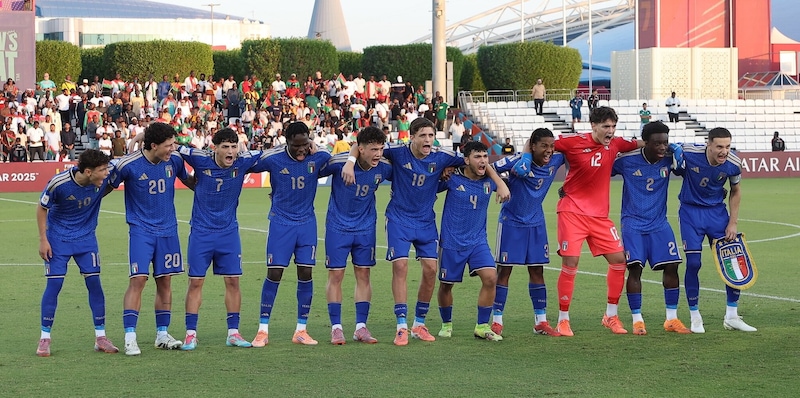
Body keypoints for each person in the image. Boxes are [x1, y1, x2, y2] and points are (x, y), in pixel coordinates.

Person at [341, 117, 510, 346]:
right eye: (423, 135)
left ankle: (419, 324)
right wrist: (350, 162)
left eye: (431, 135)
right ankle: (401, 326)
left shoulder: (442, 157)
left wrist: (499, 182)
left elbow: (476, 159)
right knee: (400, 266)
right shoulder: (397, 152)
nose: (428, 140)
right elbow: (361, 142)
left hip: (426, 222)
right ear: (412, 137)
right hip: (399, 219)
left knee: (431, 269)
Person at [554, 106, 642, 336]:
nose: (610, 131)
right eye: (605, 126)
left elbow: (644, 144)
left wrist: (671, 146)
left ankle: (610, 316)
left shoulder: (616, 144)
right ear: (593, 125)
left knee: (618, 261)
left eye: (613, 126)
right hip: (572, 212)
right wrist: (525, 155)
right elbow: (542, 143)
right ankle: (563, 319)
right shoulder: (572, 142)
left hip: (600, 217)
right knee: (570, 263)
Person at [109, 122, 195, 356]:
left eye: (173, 144)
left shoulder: (175, 161)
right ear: (154, 145)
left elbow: (191, 182)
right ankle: (130, 337)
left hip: (168, 230)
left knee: (165, 282)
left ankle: (162, 334)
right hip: (141, 231)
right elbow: (104, 186)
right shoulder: (130, 165)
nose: (172, 149)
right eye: (168, 146)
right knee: (138, 281)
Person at [176, 128, 265, 350]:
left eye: (234, 147)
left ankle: (233, 333)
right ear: (214, 148)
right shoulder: (199, 158)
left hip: (228, 233)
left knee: (233, 281)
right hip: (201, 232)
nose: (230, 151)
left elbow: (275, 153)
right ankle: (190, 333)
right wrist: (141, 138)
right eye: (225, 147)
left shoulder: (243, 161)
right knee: (195, 282)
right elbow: (171, 146)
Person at [248, 122, 332, 347]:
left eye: (305, 144)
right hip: (281, 223)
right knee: (274, 273)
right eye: (297, 146)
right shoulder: (274, 158)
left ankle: (301, 330)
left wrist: (314, 145)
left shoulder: (317, 157)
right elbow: (247, 163)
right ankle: (263, 330)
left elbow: (329, 153)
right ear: (287, 142)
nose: (302, 150)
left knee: (306, 272)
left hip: (307, 224)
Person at [35, 149, 119, 357]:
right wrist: (43, 239)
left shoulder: (103, 179)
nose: (107, 173)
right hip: (58, 240)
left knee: (94, 284)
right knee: (54, 285)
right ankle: (44, 338)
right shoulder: (59, 183)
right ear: (88, 171)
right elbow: (41, 208)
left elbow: (126, 164)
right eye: (102, 170)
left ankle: (101, 337)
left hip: (86, 239)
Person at [611, 121, 691, 335]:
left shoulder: (669, 158)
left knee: (673, 265)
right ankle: (637, 320)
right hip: (633, 223)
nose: (662, 148)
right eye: (657, 144)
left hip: (659, 223)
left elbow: (685, 171)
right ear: (645, 143)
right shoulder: (627, 161)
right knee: (635, 268)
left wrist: (678, 151)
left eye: (665, 143)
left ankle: (671, 319)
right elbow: (598, 173)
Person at [675, 127, 756, 333]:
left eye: (727, 146)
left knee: (734, 260)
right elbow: (663, 146)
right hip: (690, 213)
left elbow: (736, 191)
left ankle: (732, 315)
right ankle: (695, 316)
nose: (724, 151)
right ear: (708, 144)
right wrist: (672, 150)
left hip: (717, 213)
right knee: (693, 262)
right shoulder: (690, 153)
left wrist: (733, 222)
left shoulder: (733, 164)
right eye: (719, 146)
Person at [318, 126, 392, 345]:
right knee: (336, 276)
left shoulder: (385, 167)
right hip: (337, 227)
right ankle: (336, 328)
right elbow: (309, 170)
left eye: (380, 149)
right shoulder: (338, 163)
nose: (378, 154)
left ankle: (361, 327)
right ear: (361, 149)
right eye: (373, 150)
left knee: (364, 275)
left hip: (366, 228)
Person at [489, 128, 565, 337]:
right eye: (544, 146)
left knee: (537, 271)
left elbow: (574, 155)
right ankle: (497, 321)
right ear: (533, 146)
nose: (549, 150)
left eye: (552, 146)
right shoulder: (517, 162)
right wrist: (500, 185)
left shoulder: (556, 160)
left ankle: (540, 321)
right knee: (504, 271)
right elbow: (488, 167)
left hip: (536, 223)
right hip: (511, 222)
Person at [435, 141, 502, 341]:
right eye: (477, 157)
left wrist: (501, 183)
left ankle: (482, 326)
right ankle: (446, 324)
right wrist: (442, 172)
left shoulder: (490, 180)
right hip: (451, 242)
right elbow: (429, 185)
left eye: (485, 157)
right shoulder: (452, 178)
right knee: (446, 285)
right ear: (466, 160)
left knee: (491, 277)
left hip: (478, 241)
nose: (482, 161)